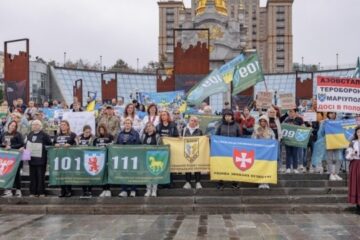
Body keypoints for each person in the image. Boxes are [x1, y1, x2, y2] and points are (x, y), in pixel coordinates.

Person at [215, 109, 242, 189]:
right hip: (222, 150)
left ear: (232, 117)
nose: (228, 117)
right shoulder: (220, 125)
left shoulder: (236, 125)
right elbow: (216, 136)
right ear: (224, 117)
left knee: (234, 166)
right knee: (222, 166)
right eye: (226, 116)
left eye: (229, 116)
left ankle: (234, 182)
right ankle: (220, 182)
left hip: (233, 150)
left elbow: (240, 137)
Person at [26, 120, 52, 197]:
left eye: (36, 124)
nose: (34, 126)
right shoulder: (30, 134)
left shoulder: (45, 135)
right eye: (33, 124)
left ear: (40, 126)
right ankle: (33, 192)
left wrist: (42, 147)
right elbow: (26, 145)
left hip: (41, 160)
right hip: (32, 159)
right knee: (32, 177)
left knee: (40, 177)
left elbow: (49, 145)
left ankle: (41, 192)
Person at [117, 118, 141, 197]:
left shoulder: (135, 133)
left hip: (132, 157)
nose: (127, 124)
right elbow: (116, 144)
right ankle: (124, 190)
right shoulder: (120, 134)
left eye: (129, 123)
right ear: (124, 124)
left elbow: (138, 144)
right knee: (123, 173)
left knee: (133, 173)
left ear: (131, 124)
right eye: (126, 123)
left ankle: (133, 190)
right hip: (123, 157)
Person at [0, 121, 24, 197]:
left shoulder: (18, 134)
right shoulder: (4, 134)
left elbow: (21, 144)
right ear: (9, 125)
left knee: (16, 173)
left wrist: (12, 147)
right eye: (11, 125)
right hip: (6, 158)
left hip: (16, 157)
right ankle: (8, 190)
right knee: (7, 173)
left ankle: (18, 190)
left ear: (16, 127)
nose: (12, 126)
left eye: (14, 126)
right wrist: (4, 146)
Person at [54, 120, 77, 197]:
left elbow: (77, 144)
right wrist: (55, 144)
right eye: (61, 125)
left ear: (68, 126)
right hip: (59, 157)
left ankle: (69, 190)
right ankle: (62, 190)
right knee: (61, 174)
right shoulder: (57, 135)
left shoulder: (72, 134)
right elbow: (53, 143)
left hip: (69, 157)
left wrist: (70, 144)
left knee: (68, 174)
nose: (62, 126)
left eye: (64, 125)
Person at [252, 115, 275, 189]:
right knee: (260, 166)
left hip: (268, 152)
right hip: (259, 152)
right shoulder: (256, 130)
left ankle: (266, 182)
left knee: (267, 166)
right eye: (261, 121)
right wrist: (257, 135)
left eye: (264, 121)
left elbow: (273, 139)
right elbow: (252, 140)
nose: (263, 122)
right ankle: (260, 182)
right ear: (259, 122)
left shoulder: (270, 130)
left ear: (267, 122)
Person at [182, 116, 203, 190]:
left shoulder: (199, 131)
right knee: (187, 166)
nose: (193, 122)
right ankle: (188, 182)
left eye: (195, 121)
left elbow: (202, 141)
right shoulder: (184, 130)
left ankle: (198, 182)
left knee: (197, 166)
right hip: (187, 151)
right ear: (189, 121)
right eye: (192, 120)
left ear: (197, 122)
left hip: (196, 151)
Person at [94, 124, 114, 197]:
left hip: (108, 158)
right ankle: (104, 190)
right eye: (100, 130)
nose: (101, 131)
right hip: (100, 159)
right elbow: (94, 147)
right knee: (102, 174)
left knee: (107, 174)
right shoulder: (97, 138)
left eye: (102, 129)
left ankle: (108, 190)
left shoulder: (110, 136)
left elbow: (112, 146)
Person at [141, 122, 161, 197]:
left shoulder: (157, 136)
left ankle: (154, 190)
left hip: (155, 158)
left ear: (153, 127)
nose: (149, 127)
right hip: (146, 158)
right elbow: (141, 146)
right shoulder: (143, 136)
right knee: (147, 174)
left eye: (150, 126)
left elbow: (159, 146)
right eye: (147, 126)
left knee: (154, 173)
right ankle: (148, 189)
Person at [76, 125, 95, 198]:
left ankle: (89, 191)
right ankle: (84, 191)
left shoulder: (93, 138)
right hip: (81, 158)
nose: (88, 133)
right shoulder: (79, 137)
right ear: (83, 131)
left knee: (89, 175)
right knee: (82, 175)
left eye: (89, 132)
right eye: (86, 132)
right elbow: (76, 146)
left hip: (89, 159)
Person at [283, 109, 303, 174]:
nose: (290, 113)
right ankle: (288, 168)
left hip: (295, 140)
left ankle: (295, 168)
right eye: (289, 112)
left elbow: (303, 127)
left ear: (295, 112)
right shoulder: (286, 120)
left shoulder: (299, 119)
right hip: (288, 139)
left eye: (291, 111)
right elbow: (283, 128)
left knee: (295, 154)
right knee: (288, 154)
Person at [345, 126, 360, 212]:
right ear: (356, 133)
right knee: (356, 183)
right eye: (358, 132)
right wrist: (353, 153)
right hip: (355, 164)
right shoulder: (352, 142)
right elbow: (347, 155)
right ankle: (358, 206)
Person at [326, 112, 344, 181]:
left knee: (339, 158)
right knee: (329, 159)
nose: (332, 114)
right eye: (330, 113)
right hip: (329, 142)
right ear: (328, 114)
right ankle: (331, 174)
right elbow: (321, 133)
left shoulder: (339, 122)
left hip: (337, 142)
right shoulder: (325, 122)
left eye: (334, 113)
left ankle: (336, 173)